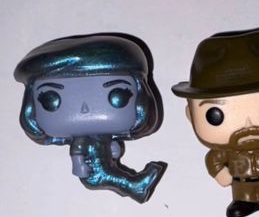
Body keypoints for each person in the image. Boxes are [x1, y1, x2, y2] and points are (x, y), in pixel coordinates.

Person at [172, 28, 259, 217]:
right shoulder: (225, 150)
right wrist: (219, 173)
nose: (248, 123)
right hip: (241, 185)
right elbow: (213, 159)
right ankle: (243, 202)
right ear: (191, 115)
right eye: (215, 115)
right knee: (243, 198)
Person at [15, 34, 166, 203]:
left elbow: (111, 149)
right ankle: (137, 187)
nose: (85, 108)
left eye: (118, 93)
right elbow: (77, 155)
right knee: (111, 178)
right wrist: (79, 166)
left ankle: (137, 187)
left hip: (100, 168)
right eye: (50, 98)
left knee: (114, 177)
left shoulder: (91, 139)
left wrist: (113, 150)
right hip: (93, 174)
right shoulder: (80, 142)